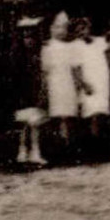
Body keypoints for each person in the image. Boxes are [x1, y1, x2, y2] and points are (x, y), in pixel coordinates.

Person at [40, 11, 79, 153]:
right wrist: (44, 87)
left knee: (68, 114)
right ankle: (57, 146)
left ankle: (69, 144)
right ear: (51, 29)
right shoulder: (47, 47)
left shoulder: (71, 47)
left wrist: (77, 85)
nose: (61, 31)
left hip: (67, 82)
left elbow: (74, 68)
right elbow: (45, 70)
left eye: (63, 28)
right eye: (57, 27)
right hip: (54, 82)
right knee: (56, 114)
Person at [12, 16, 48, 165]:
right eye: (26, 37)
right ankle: (22, 151)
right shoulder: (17, 55)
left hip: (34, 91)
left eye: (31, 37)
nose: (29, 41)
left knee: (35, 123)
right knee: (24, 124)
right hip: (22, 92)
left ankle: (35, 151)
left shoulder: (38, 54)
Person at [74, 17, 110, 155]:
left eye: (84, 28)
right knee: (92, 114)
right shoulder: (77, 46)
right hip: (89, 82)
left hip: (102, 81)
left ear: (89, 28)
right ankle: (93, 148)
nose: (82, 32)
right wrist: (83, 84)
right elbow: (76, 68)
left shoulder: (100, 42)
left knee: (102, 112)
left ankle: (103, 146)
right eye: (79, 31)